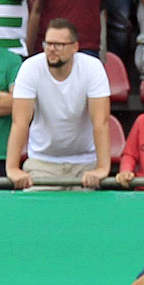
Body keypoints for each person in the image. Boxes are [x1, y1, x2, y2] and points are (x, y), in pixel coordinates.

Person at [5, 18, 110, 189]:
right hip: (42, 162)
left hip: (85, 163)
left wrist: (102, 168)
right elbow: (20, 122)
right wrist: (12, 168)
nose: (51, 49)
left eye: (58, 45)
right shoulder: (30, 67)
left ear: (75, 47)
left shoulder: (93, 67)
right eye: (48, 43)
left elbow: (101, 122)